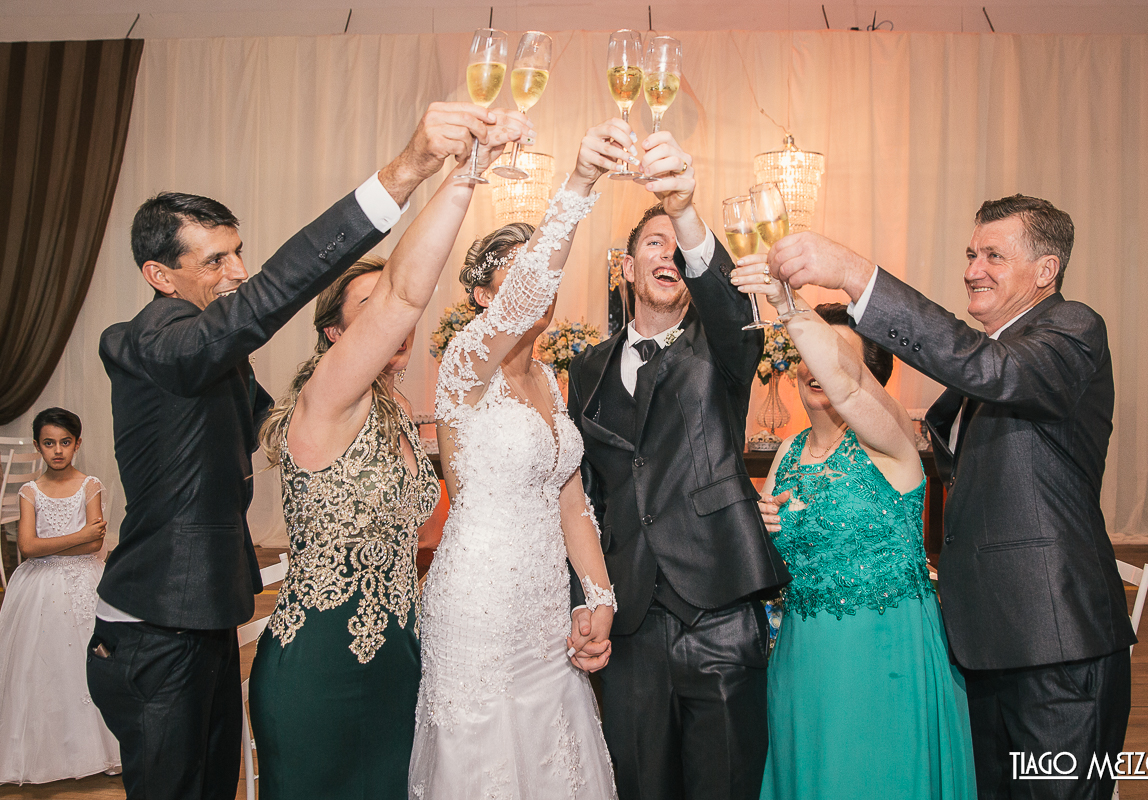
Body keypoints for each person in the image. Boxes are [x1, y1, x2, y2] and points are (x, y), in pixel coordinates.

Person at [87, 102, 525, 800]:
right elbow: (307, 313)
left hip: (209, 618)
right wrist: (409, 171)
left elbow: (293, 419)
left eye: (239, 252)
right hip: (154, 626)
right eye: (215, 260)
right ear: (160, 277)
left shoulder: (223, 367)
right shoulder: (149, 340)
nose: (237, 272)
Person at [769, 194, 1134, 799]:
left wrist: (859, 276)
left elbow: (992, 369)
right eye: (970, 254)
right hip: (980, 645)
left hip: (1055, 649)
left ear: (1046, 271)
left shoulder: (1074, 330)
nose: (972, 269)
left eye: (994, 255)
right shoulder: (991, 364)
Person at [247, 110, 528, 799]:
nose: (388, 324)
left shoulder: (400, 412)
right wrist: (464, 176)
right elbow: (406, 292)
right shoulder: (327, 398)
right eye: (366, 313)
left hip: (399, 660)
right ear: (339, 333)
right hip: (319, 669)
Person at [408, 119, 630, 799]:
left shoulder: (552, 382)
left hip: (543, 613)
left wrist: (598, 597)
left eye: (544, 268)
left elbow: (569, 500)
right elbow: (528, 295)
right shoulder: (465, 365)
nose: (541, 280)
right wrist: (582, 181)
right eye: (518, 270)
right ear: (481, 297)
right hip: (477, 605)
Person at [565, 131, 791, 800]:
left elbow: (727, 301)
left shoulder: (723, 349)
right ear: (627, 267)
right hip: (629, 616)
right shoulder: (584, 369)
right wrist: (589, 599)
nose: (666, 252)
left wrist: (685, 210)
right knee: (638, 783)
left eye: (677, 245)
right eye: (651, 243)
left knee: (725, 782)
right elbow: (584, 494)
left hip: (718, 607)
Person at [730, 257, 978, 796]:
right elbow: (765, 556)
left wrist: (785, 303)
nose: (818, 368)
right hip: (803, 656)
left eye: (840, 355)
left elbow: (847, 389)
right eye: (811, 355)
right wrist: (758, 520)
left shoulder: (888, 440)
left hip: (884, 658)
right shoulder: (789, 453)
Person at [0, 408, 120, 785]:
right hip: (36, 587)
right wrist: (78, 537)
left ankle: (99, 748)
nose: (57, 451)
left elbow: (96, 544)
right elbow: (27, 547)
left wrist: (66, 544)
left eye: (64, 443)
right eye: (49, 443)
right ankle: (39, 751)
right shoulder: (29, 491)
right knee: (40, 661)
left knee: (86, 657)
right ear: (37, 446)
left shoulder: (90, 485)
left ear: (77, 444)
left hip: (85, 583)